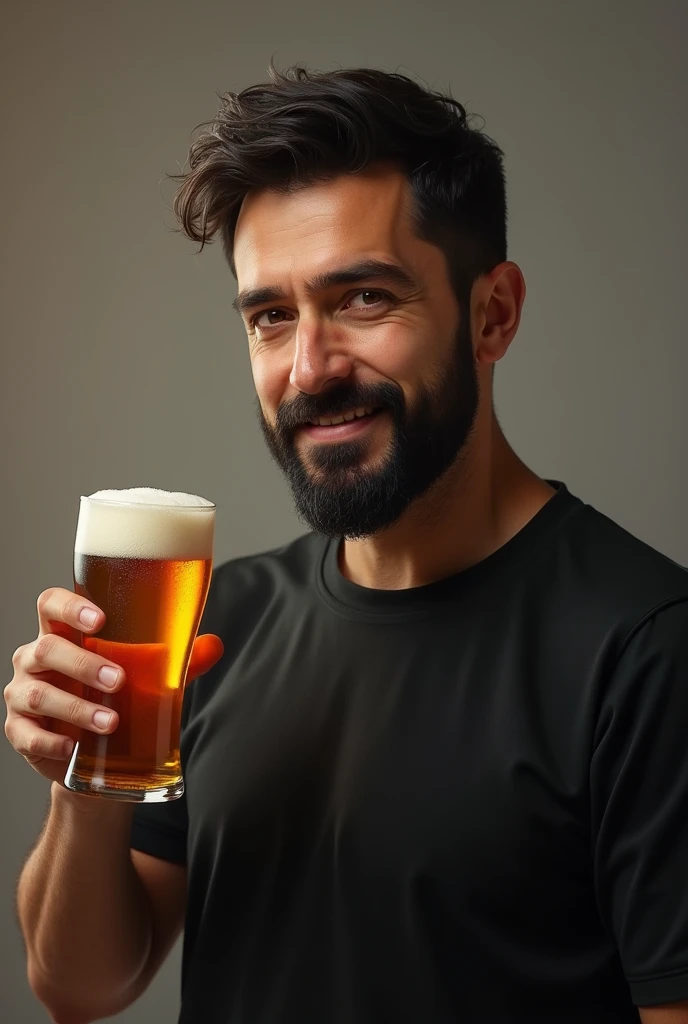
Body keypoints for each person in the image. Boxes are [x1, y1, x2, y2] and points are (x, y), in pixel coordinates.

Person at [5, 62, 688, 1024]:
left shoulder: (647, 649)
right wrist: (88, 773)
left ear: (493, 314)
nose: (308, 369)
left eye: (364, 299)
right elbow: (80, 986)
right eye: (270, 316)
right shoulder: (217, 622)